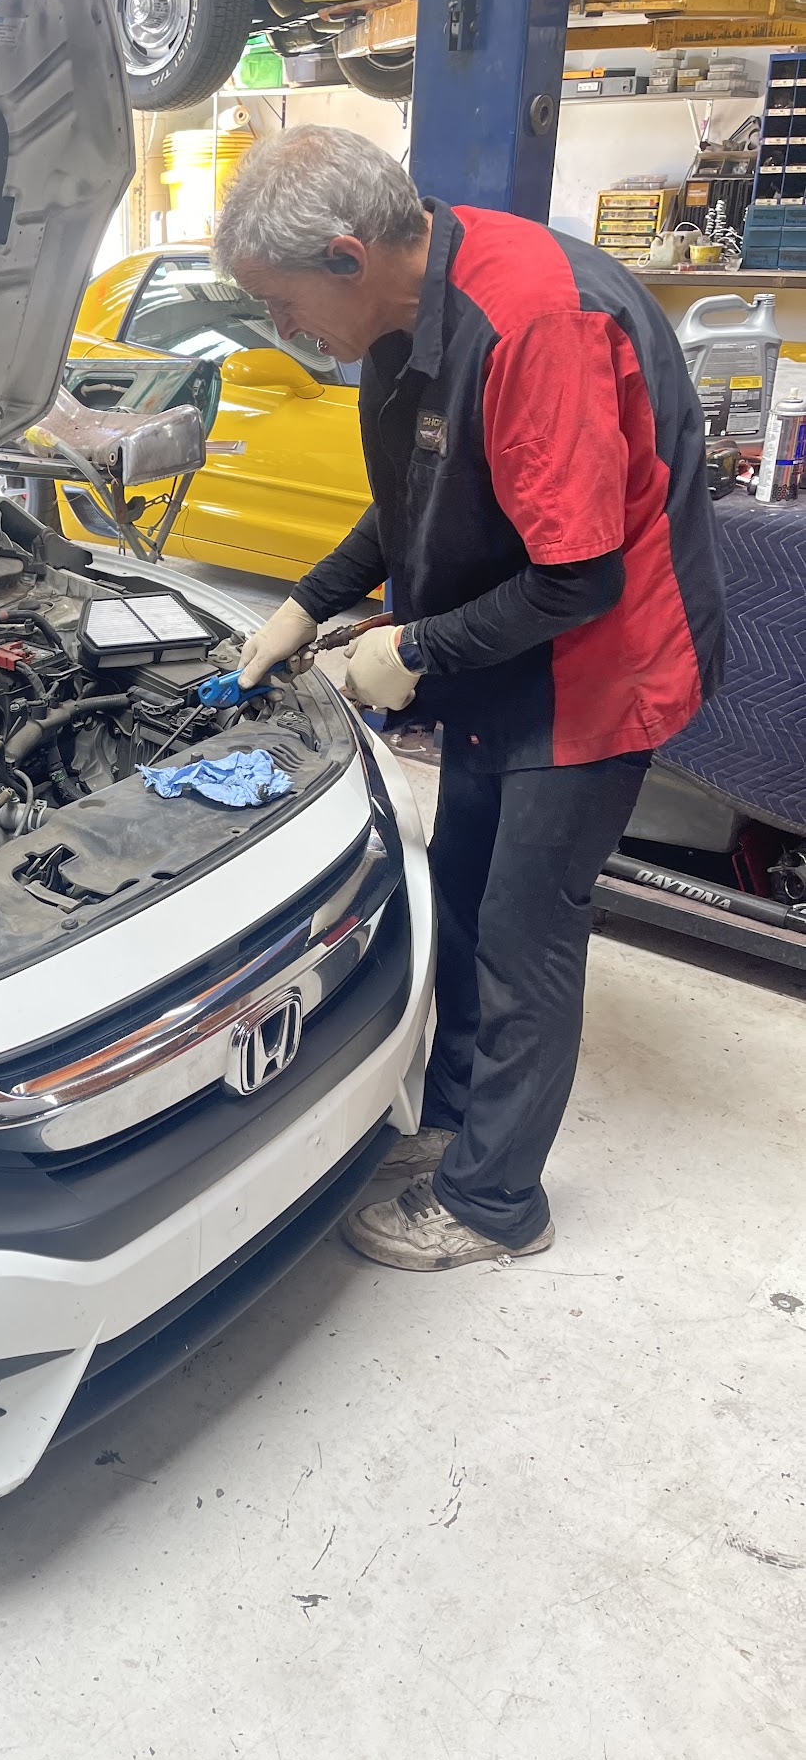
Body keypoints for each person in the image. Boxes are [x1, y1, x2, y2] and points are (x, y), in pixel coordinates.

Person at [213, 126, 725, 1271]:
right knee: (457, 894)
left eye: (280, 301)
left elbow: (580, 577)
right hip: (509, 653)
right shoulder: (411, 310)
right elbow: (420, 494)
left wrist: (412, 648)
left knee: (524, 932)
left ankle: (496, 1201)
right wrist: (308, 602)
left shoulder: (534, 323)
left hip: (597, 670)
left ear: (347, 256)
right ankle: (451, 1128)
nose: (281, 328)